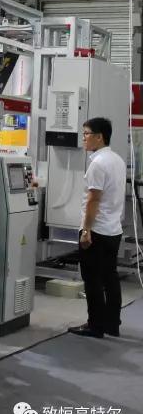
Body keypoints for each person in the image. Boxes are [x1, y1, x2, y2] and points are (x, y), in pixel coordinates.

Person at [69, 117, 126, 339]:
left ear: (99, 137)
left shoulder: (98, 164)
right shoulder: (117, 160)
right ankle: (112, 323)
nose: (83, 138)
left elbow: (94, 200)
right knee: (110, 277)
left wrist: (86, 231)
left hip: (97, 231)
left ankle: (95, 325)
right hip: (113, 230)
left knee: (92, 279)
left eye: (86, 134)